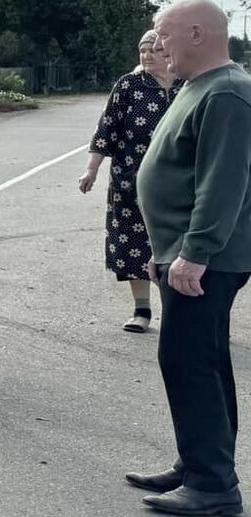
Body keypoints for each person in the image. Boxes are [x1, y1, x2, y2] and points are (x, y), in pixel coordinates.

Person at [123, 0, 251, 516]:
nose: (156, 45)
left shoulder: (226, 93)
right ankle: (200, 461)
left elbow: (224, 184)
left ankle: (212, 483)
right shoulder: (199, 87)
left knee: (188, 360)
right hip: (187, 254)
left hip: (207, 259)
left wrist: (193, 253)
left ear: (197, 34)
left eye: (164, 34)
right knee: (205, 360)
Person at [80, 30, 177, 333]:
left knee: (176, 247)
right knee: (134, 244)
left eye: (155, 50)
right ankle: (142, 310)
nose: (147, 56)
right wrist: (91, 170)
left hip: (179, 184)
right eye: (142, 50)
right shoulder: (129, 85)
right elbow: (106, 129)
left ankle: (179, 313)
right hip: (129, 180)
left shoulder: (189, 85)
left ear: (169, 53)